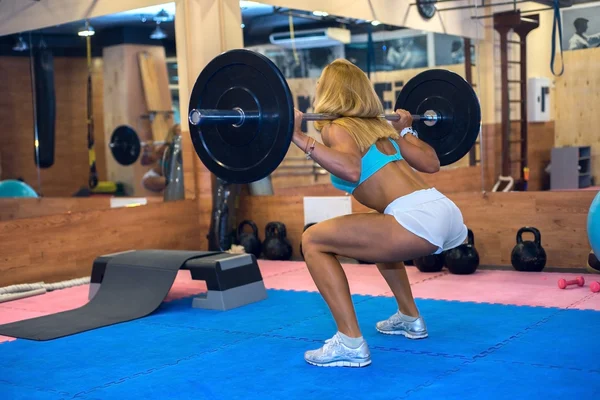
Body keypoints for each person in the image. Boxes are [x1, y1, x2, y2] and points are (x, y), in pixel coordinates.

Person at [291, 59, 468, 368]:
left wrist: (297, 137)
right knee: (380, 241)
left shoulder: (336, 128)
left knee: (312, 240)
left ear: (330, 91)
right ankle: (410, 318)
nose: (317, 86)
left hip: (415, 218)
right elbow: (432, 163)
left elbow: (350, 168)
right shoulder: (381, 130)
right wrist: (407, 130)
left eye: (321, 82)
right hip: (442, 210)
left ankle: (349, 342)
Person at [141, 124, 181, 192]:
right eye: (178, 130)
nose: (179, 132)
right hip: (163, 176)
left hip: (175, 176)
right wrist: (147, 150)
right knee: (145, 181)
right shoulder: (165, 148)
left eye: (180, 130)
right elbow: (144, 162)